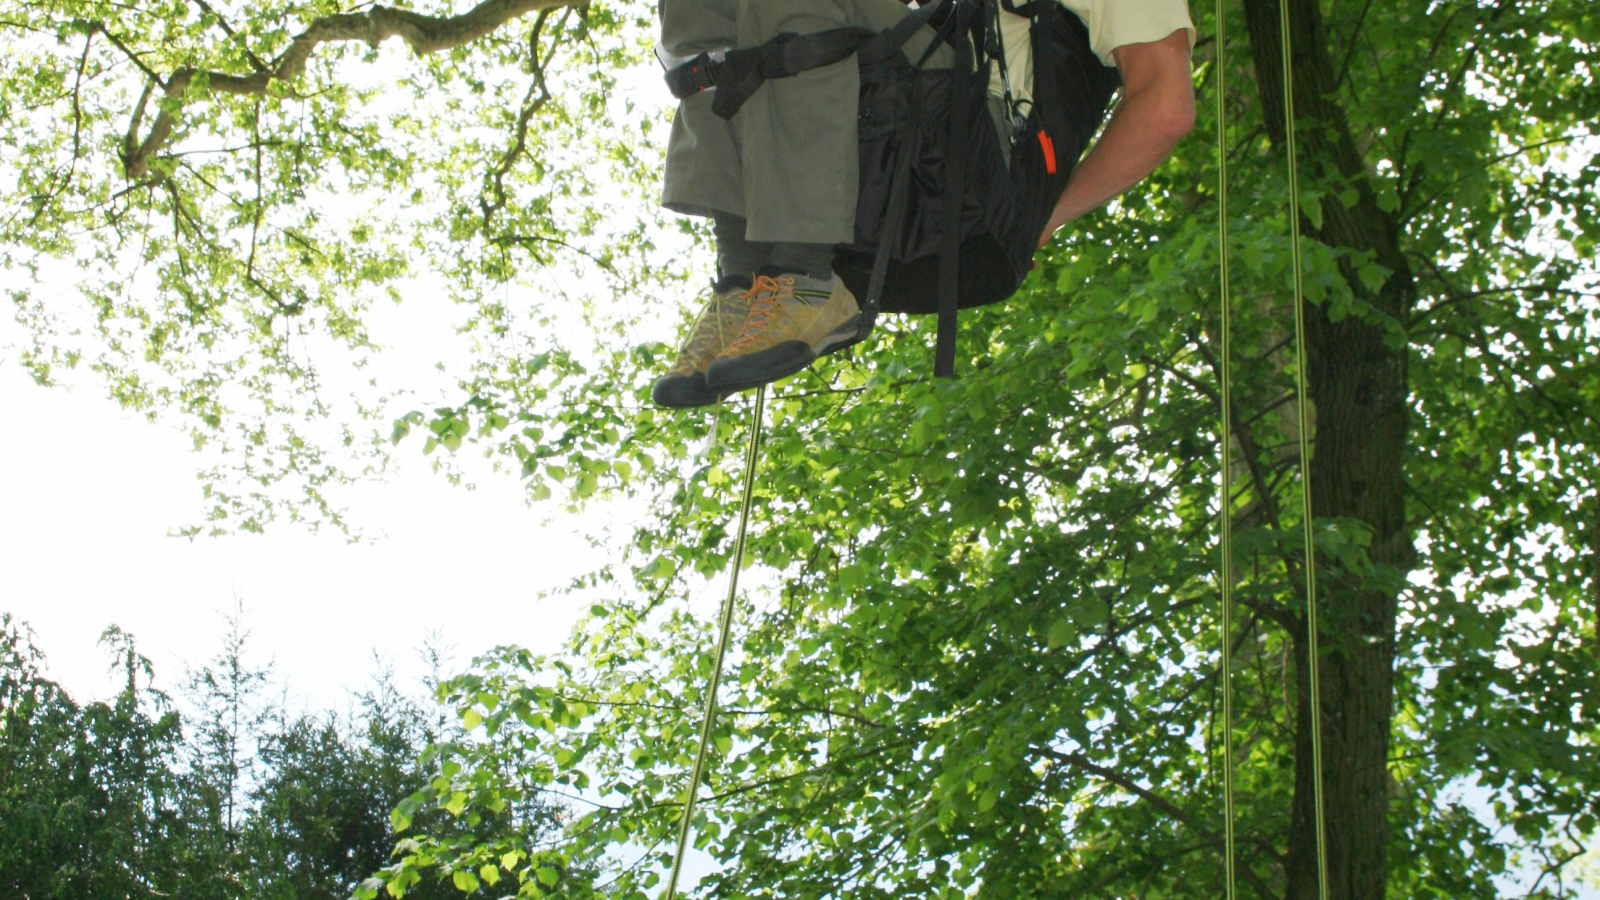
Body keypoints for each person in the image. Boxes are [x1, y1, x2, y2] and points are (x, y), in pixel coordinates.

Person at [651, 0, 1196, 409]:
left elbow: (1166, 105)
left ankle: (803, 275)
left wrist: (1045, 217)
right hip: (871, 137)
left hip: (968, 169)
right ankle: (748, 281)